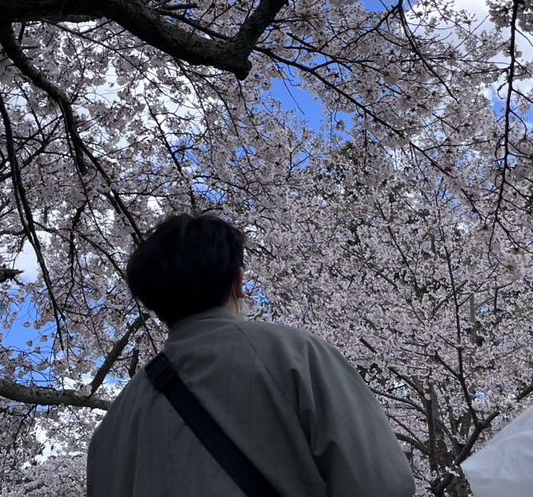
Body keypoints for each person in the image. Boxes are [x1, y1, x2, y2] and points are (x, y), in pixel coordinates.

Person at [86, 212, 415, 496]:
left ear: (153, 302)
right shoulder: (296, 355)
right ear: (238, 282)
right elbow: (382, 485)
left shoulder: (113, 427)